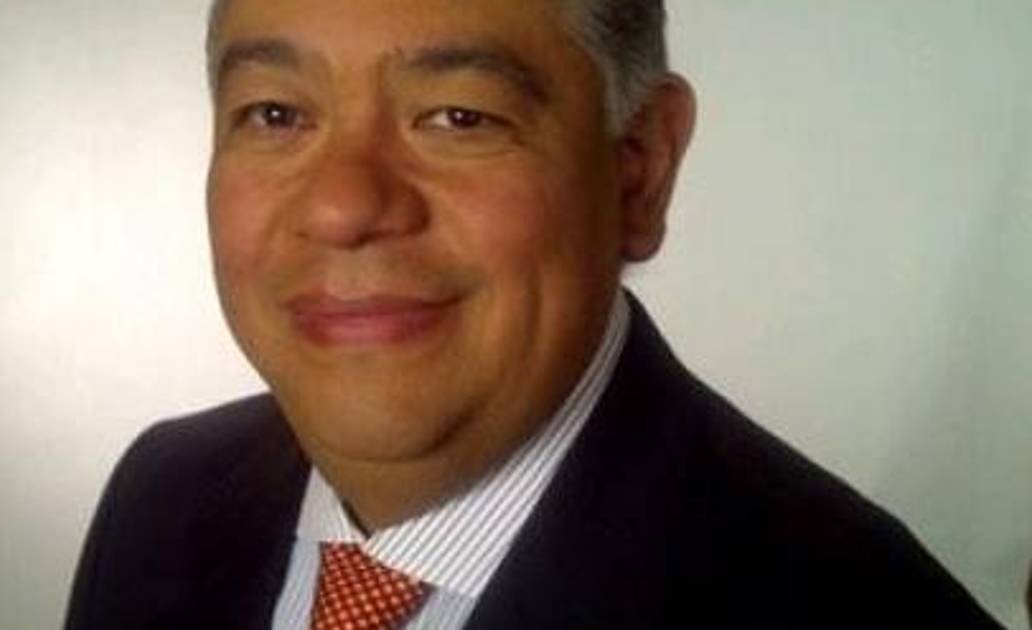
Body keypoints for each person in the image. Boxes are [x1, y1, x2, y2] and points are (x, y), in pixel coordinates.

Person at [65, 1, 1002, 628]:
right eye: (274, 114)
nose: (343, 206)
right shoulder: (161, 495)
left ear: (638, 170)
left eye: (458, 116)